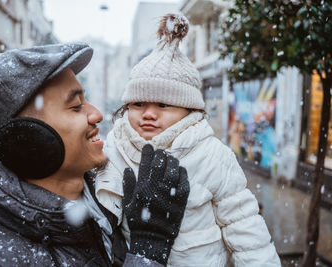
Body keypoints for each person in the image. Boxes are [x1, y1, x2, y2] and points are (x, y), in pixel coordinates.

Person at [0, 42, 190, 266]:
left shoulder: (104, 205)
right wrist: (147, 252)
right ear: (26, 138)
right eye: (76, 106)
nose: (97, 114)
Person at [95, 13, 281, 266]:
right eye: (138, 103)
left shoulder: (211, 154)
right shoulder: (115, 146)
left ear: (188, 110)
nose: (148, 113)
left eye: (163, 104)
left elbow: (243, 223)